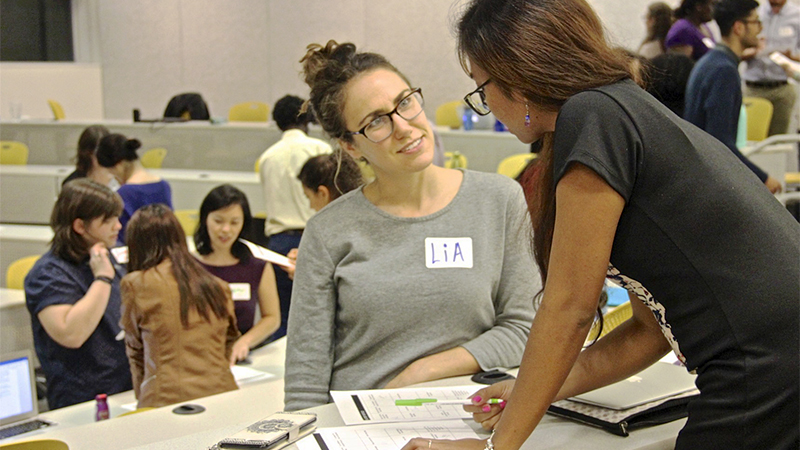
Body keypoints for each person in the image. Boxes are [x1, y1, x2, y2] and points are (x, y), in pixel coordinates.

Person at [402, 0, 799, 449]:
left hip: (766, 370)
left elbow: (569, 308)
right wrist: (528, 389)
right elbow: (649, 334)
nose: (485, 104)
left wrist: (496, 447)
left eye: (480, 87)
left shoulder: (592, 116)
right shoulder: (619, 107)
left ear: (515, 76)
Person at [283, 40, 539, 412]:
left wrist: (421, 371)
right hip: (362, 428)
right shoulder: (328, 231)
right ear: (351, 146)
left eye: (404, 102)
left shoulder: (499, 199)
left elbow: (525, 328)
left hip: (469, 420)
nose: (404, 127)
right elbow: (305, 383)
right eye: (375, 122)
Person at [24, 179, 132, 410]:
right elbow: (71, 334)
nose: (118, 226)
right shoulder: (47, 274)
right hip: (82, 399)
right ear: (80, 226)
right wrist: (102, 278)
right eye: (108, 220)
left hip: (125, 388)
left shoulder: (105, 256)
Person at [121, 204, 239, 408]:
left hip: (167, 402)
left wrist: (142, 398)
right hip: (223, 396)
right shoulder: (217, 286)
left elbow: (135, 351)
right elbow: (229, 341)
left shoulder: (136, 284)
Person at [685, 0, 782, 194]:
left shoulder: (710, 62)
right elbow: (720, 143)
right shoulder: (724, 70)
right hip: (710, 183)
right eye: (756, 22)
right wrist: (763, 178)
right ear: (738, 27)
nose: (760, 29)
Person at [255, 95, 332, 339]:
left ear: (277, 123)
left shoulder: (266, 158)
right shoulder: (321, 150)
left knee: (282, 319)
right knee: (318, 318)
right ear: (308, 119)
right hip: (315, 238)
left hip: (278, 242)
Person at [194, 184, 281, 362]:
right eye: (218, 221)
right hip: (197, 358)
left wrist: (245, 342)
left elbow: (272, 318)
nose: (226, 230)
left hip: (240, 359)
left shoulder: (258, 266)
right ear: (205, 219)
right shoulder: (189, 266)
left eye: (234, 222)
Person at [283, 152, 364, 279]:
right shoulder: (371, 218)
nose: (311, 206)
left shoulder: (328, 231)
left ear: (322, 193)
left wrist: (305, 274)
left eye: (308, 197)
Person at [96, 133, 173, 243]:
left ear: (119, 165)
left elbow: (121, 238)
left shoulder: (123, 194)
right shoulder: (164, 186)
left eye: (112, 173)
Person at [742, 0, 800, 136]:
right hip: (753, 88)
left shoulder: (797, 15)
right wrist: (752, 52)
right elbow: (738, 46)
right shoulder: (755, 14)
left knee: (777, 144)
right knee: (750, 140)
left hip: (781, 90)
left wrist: (791, 57)